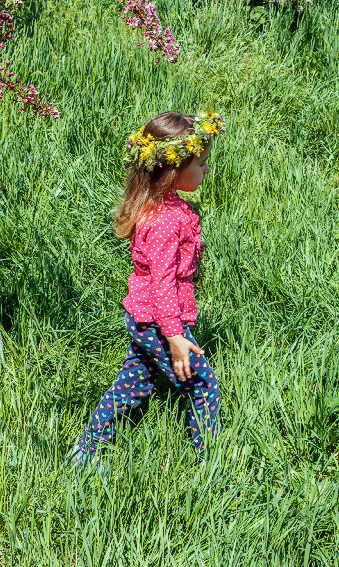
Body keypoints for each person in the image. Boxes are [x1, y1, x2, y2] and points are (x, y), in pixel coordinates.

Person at [71, 111, 225, 466]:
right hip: (158, 322)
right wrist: (174, 336)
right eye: (201, 164)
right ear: (172, 168)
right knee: (202, 385)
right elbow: (162, 284)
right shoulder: (165, 221)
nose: (205, 170)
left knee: (134, 383)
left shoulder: (166, 207)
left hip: (145, 318)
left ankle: (86, 451)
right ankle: (211, 463)